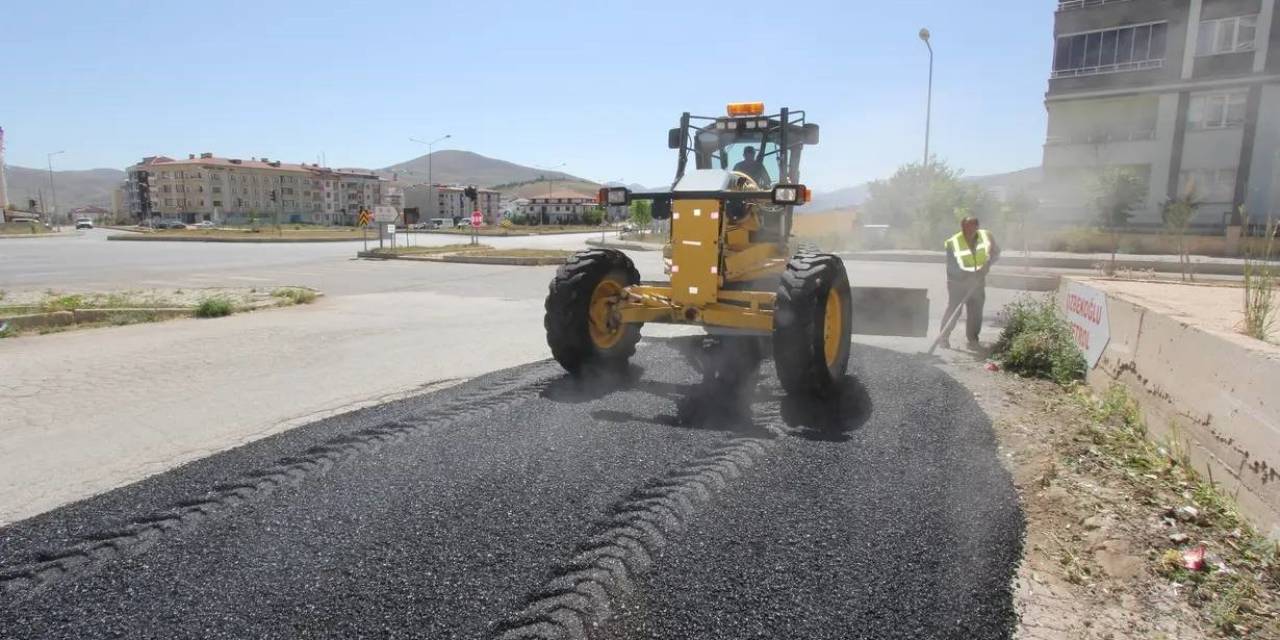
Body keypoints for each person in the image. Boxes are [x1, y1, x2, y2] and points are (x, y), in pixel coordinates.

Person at [941, 216, 1000, 349]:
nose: (968, 231)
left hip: (978, 281)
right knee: (954, 309)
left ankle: (973, 340)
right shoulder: (953, 242)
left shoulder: (986, 236)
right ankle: (944, 337)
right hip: (957, 282)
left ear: (977, 227)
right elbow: (952, 266)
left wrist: (988, 264)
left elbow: (995, 252)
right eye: (965, 228)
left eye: (971, 228)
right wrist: (967, 278)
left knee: (976, 311)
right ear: (962, 227)